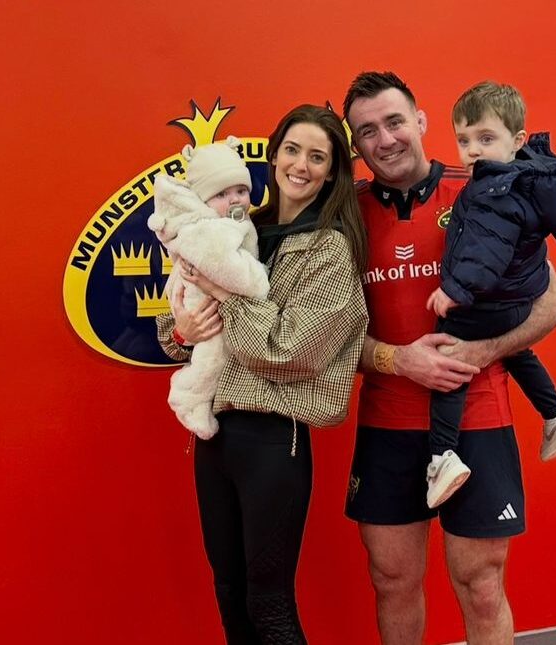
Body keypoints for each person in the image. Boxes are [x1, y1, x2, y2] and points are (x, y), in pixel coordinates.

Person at [342, 71, 556, 645]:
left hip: (478, 419)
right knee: (392, 580)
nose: (385, 139)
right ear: (356, 145)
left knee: (481, 584)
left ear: (419, 122)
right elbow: (328, 336)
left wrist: (481, 349)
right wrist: (399, 360)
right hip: (388, 424)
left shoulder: (485, 189)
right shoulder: (346, 214)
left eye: (395, 122)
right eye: (367, 131)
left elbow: (552, 305)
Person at [156, 104, 369, 644]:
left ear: (331, 172)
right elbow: (174, 326)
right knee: (228, 590)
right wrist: (182, 327)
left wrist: (225, 292)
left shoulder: (330, 248)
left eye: (317, 156)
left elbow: (289, 351)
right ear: (273, 157)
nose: (301, 165)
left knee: (267, 599)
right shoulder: (235, 229)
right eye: (292, 150)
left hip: (275, 439)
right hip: (215, 434)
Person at [424, 81, 556, 508]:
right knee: (520, 353)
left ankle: (441, 456)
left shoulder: (493, 189)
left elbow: (487, 249)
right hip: (518, 302)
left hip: (487, 302)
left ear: (518, 140)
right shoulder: (526, 182)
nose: (472, 151)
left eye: (486, 139)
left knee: (450, 358)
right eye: (464, 140)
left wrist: (454, 290)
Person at [148, 136, 269, 439]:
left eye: (241, 190)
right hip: (207, 311)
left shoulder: (233, 225)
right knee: (212, 356)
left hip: (219, 316)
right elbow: (234, 273)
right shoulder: (209, 231)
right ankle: (190, 398)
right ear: (202, 202)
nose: (234, 200)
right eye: (221, 194)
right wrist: (259, 280)